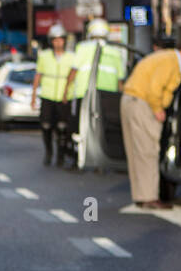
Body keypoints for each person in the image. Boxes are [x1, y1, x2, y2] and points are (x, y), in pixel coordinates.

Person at [119, 33, 181, 209]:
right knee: (148, 150)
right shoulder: (171, 61)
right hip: (143, 103)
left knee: (137, 152)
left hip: (132, 99)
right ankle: (149, 197)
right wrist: (158, 109)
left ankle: (141, 195)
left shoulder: (167, 58)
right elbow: (155, 88)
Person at [67, 18, 125, 170]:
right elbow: (120, 81)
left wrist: (66, 92)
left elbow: (73, 71)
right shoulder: (115, 51)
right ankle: (103, 162)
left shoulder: (82, 48)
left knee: (80, 128)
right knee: (104, 128)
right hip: (108, 96)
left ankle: (77, 160)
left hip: (84, 94)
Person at [31, 24, 75, 167]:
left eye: (60, 40)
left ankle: (61, 156)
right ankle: (48, 152)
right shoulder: (44, 56)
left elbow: (74, 75)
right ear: (51, 41)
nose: (58, 43)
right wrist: (33, 97)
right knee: (46, 126)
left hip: (64, 97)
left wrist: (67, 92)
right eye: (55, 40)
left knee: (62, 128)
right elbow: (38, 75)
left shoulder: (71, 57)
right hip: (47, 96)